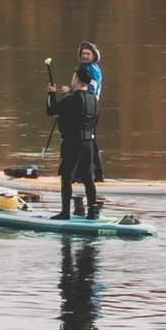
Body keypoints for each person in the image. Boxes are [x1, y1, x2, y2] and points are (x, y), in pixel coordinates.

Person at [46, 59, 102, 220]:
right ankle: (92, 211)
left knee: (67, 177)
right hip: (89, 144)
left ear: (77, 80)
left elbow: (51, 111)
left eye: (73, 77)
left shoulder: (71, 99)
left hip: (72, 143)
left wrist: (50, 93)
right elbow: (95, 121)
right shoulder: (94, 100)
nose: (71, 80)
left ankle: (65, 213)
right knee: (88, 178)